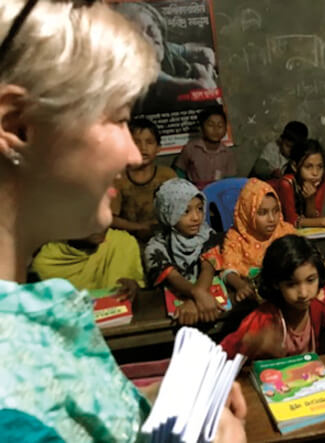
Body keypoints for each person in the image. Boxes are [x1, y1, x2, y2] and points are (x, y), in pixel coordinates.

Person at [0, 1, 245, 441]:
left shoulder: (40, 308)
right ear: (18, 126)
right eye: (117, 120)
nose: (133, 154)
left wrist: (150, 403)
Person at [220, 235, 325, 403]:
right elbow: (225, 355)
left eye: (311, 280)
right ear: (276, 283)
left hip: (315, 390)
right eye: (291, 284)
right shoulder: (263, 319)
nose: (303, 293)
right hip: (276, 395)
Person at [111, 2, 219, 115]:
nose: (149, 39)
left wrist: (205, 54)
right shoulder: (133, 73)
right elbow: (161, 81)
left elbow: (189, 50)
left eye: (151, 28)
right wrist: (202, 83)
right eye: (137, 37)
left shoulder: (164, 46)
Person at [144, 179, 224, 325]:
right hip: (167, 310)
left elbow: (208, 267)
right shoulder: (156, 247)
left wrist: (196, 298)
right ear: (168, 212)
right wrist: (198, 294)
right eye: (185, 211)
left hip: (202, 303)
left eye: (199, 208)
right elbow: (173, 277)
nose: (196, 217)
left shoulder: (207, 235)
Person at [221, 178, 296, 302]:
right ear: (247, 213)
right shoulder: (235, 237)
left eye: (276, 211)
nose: (272, 219)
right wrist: (240, 285)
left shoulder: (285, 231)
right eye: (262, 213)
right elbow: (228, 270)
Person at [111, 118, 177, 243]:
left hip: (164, 238)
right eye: (136, 143)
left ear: (158, 148)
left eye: (149, 142)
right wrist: (140, 227)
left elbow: (181, 209)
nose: (143, 148)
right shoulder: (118, 179)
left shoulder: (167, 176)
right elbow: (111, 219)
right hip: (128, 241)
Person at [31, 229, 143, 298]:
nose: (100, 224)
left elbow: (137, 295)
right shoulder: (47, 262)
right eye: (88, 216)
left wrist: (133, 288)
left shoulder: (121, 243)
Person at [273, 138, 325, 231]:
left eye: (320, 167)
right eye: (308, 167)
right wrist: (323, 222)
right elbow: (291, 221)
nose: (315, 173)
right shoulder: (286, 184)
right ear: (294, 166)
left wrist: (310, 200)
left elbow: (313, 218)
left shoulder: (319, 183)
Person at [174, 106, 236, 189]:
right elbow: (179, 174)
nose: (215, 129)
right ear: (201, 128)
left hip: (218, 193)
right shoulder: (191, 149)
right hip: (194, 192)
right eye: (210, 125)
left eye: (220, 126)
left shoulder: (228, 153)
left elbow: (230, 181)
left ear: (225, 129)